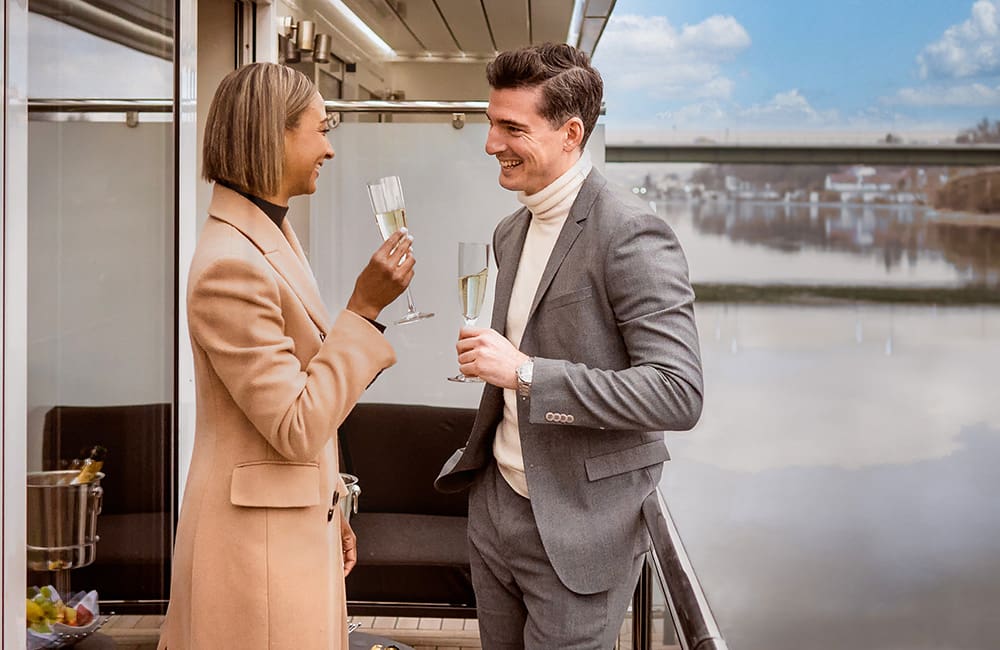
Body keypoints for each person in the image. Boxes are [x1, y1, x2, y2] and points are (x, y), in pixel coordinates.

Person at [435, 43, 704, 648]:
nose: (491, 144)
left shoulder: (632, 231)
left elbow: (678, 393)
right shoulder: (510, 230)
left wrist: (526, 373)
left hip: (581, 532)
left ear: (570, 133)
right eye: (489, 123)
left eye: (512, 128)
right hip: (496, 511)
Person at [158, 62, 415, 650]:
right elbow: (295, 427)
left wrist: (333, 504)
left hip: (287, 529)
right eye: (321, 130)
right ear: (274, 135)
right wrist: (364, 311)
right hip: (256, 558)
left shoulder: (268, 233)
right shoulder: (231, 266)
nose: (329, 149)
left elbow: (295, 388)